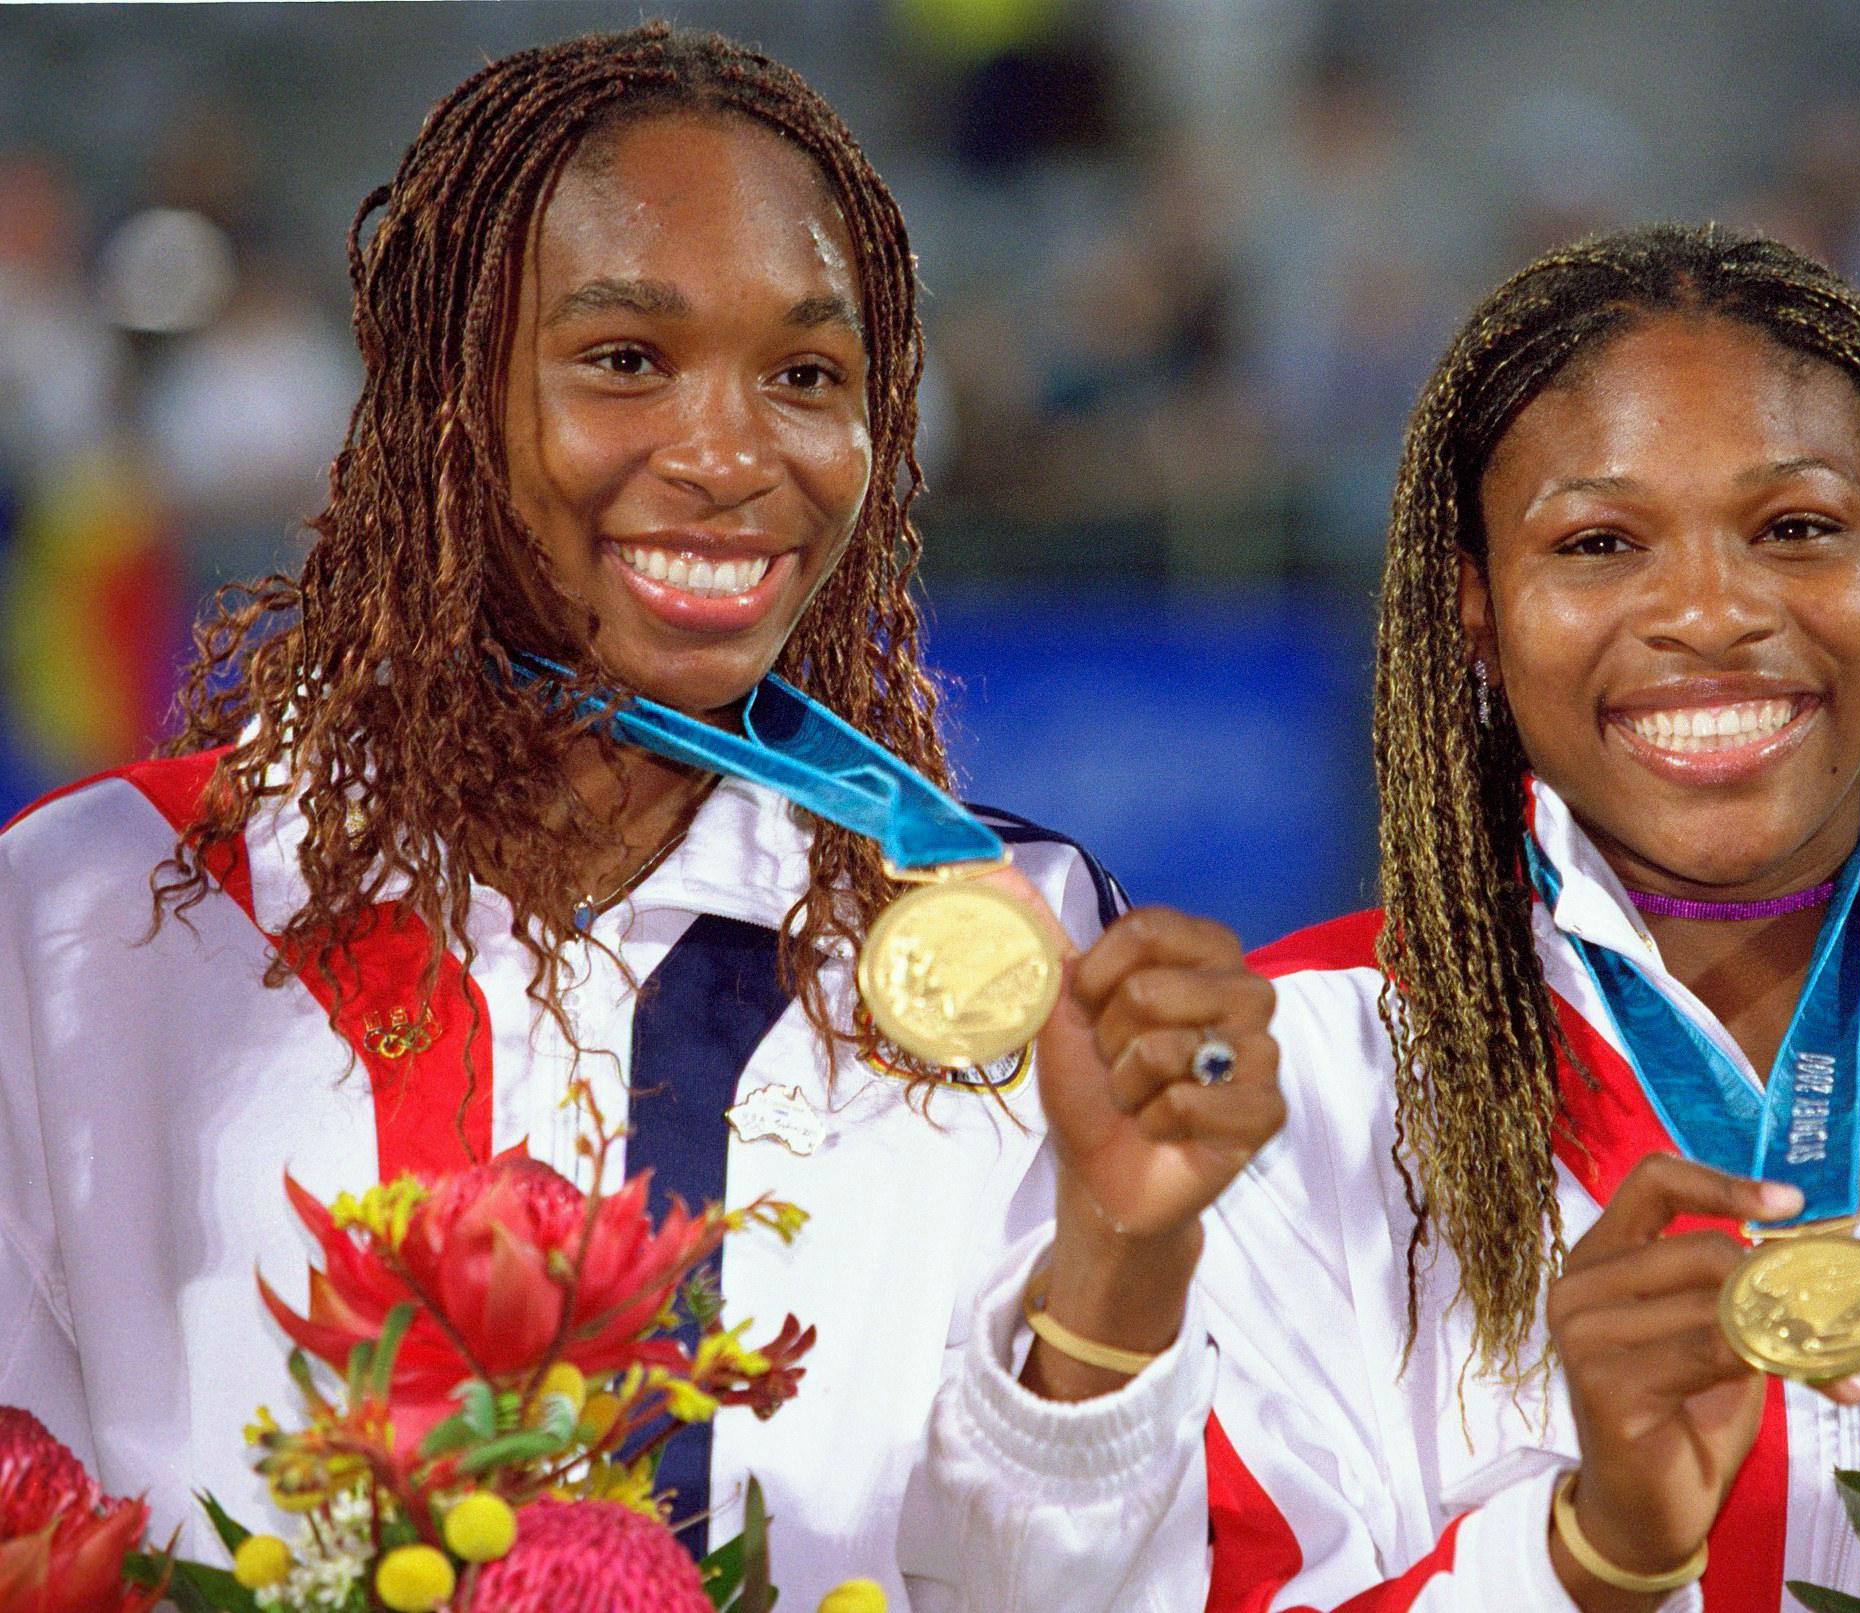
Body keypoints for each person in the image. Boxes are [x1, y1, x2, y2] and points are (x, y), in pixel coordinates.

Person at [0, 26, 1280, 1611]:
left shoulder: (998, 930)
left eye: (807, 376)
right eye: (626, 361)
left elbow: (1056, 1593)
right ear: (444, 400)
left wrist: (1124, 1250)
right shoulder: (92, 916)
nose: (735, 457)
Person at [902, 225, 1860, 1613]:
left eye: (1796, 528)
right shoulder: (1306, 1083)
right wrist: (1589, 1558)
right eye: (1601, 542)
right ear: (1479, 612)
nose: (1711, 610)